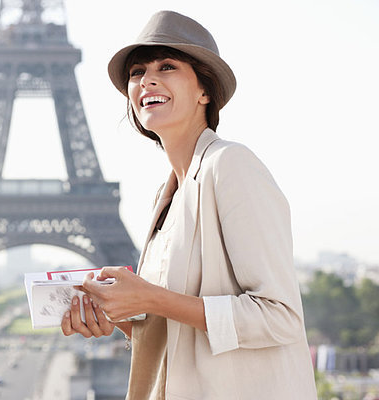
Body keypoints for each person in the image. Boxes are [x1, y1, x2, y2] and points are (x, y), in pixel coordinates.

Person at [60, 10, 318, 400]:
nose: (147, 79)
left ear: (205, 92)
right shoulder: (167, 198)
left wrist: (150, 298)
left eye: (167, 66)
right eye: (137, 72)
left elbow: (280, 318)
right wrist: (118, 316)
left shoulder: (231, 165)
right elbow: (178, 328)